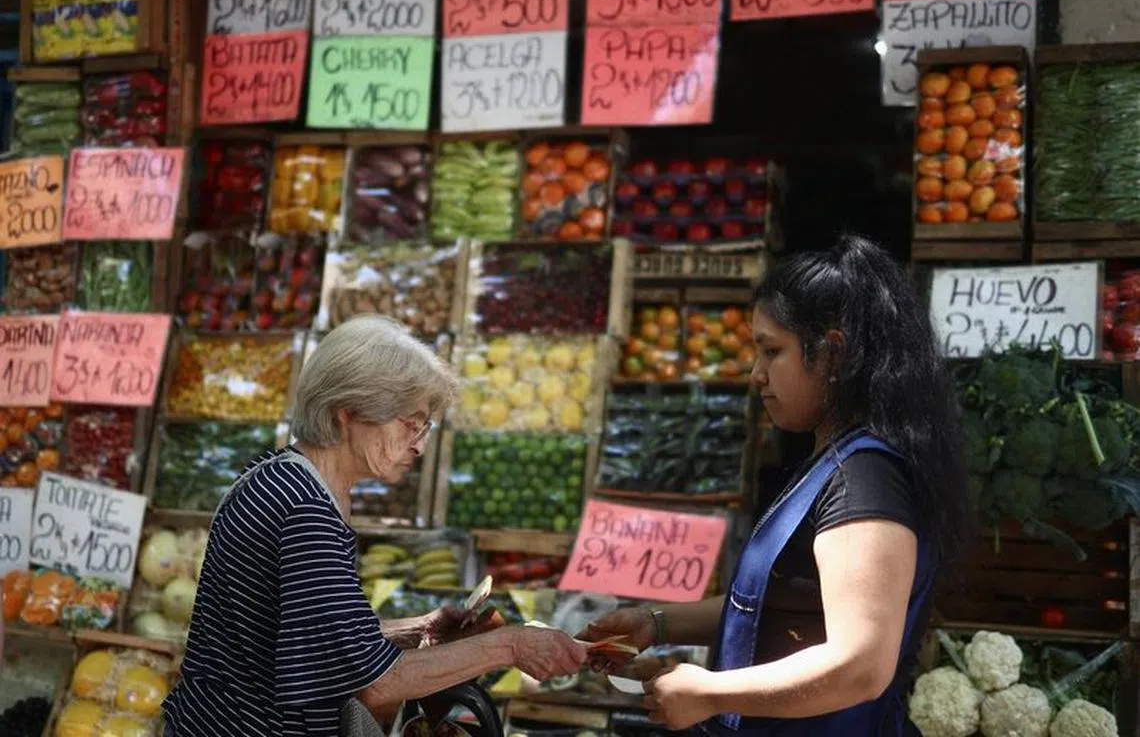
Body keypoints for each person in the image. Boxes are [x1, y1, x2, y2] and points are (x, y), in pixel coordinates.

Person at [580, 236, 971, 737]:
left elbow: (862, 665)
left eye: (772, 351)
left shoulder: (865, 482)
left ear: (834, 354)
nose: (756, 375)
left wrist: (710, 692)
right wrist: (658, 623)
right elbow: (781, 599)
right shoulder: (835, 461)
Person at [163, 315, 586, 736]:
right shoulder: (305, 509)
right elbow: (375, 684)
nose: (420, 444)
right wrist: (510, 645)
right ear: (348, 412)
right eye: (410, 423)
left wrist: (412, 629)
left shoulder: (284, 475)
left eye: (425, 426)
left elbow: (308, 635)